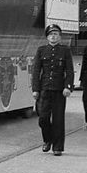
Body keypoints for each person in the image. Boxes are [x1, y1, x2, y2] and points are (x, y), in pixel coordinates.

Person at [32, 24, 74, 156]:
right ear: (47, 37)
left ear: (59, 37)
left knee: (58, 120)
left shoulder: (65, 50)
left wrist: (68, 87)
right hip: (44, 89)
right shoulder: (41, 50)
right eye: (51, 34)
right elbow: (36, 71)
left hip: (59, 90)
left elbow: (69, 71)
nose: (53, 36)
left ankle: (57, 147)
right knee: (43, 118)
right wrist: (35, 89)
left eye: (56, 34)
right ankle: (47, 140)